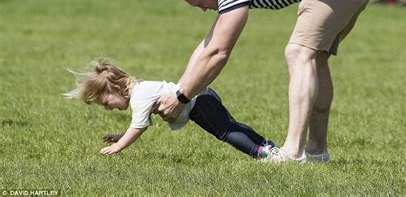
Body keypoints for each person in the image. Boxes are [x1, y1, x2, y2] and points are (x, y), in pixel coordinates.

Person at [156, 0, 381, 163]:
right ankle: (316, 150)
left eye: (199, 3)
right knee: (315, 58)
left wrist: (181, 98)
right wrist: (180, 88)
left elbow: (218, 52)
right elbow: (209, 43)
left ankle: (292, 152)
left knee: (298, 53)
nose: (204, 9)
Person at [64, 58, 275, 159]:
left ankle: (260, 153)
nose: (108, 109)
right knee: (230, 126)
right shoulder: (140, 89)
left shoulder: (139, 96)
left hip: (198, 103)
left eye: (106, 103)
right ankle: (266, 146)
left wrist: (119, 146)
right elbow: (138, 123)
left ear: (116, 89)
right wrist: (121, 136)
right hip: (203, 96)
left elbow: (139, 126)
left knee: (226, 132)